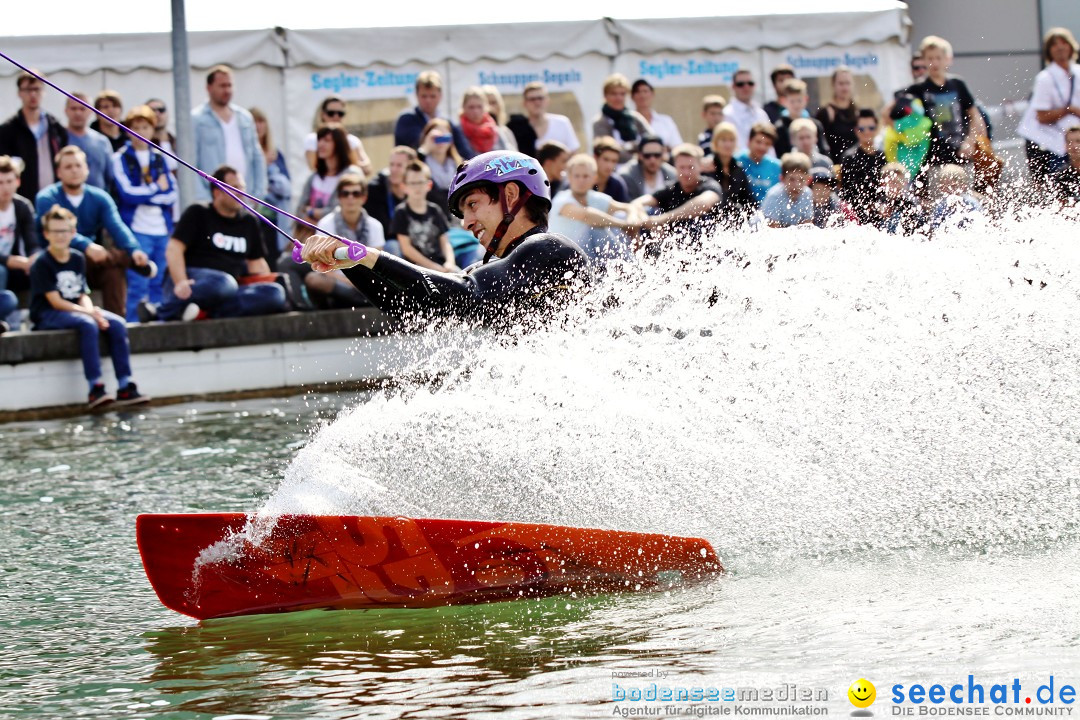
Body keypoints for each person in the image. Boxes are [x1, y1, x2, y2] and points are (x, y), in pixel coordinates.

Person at [301, 150, 591, 326]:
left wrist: (365, 255)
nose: (466, 223)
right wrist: (351, 263)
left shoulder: (548, 249)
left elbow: (466, 292)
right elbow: (416, 307)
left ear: (511, 195)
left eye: (473, 204)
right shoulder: (490, 271)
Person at [30, 205, 149, 408]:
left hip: (77, 309)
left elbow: (82, 293)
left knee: (118, 324)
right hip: (48, 313)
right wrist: (89, 314)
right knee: (88, 324)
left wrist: (92, 310)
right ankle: (95, 386)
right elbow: (55, 301)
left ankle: (125, 384)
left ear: (73, 233)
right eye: (55, 232)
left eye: (65, 231)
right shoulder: (42, 262)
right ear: (46, 234)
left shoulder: (77, 258)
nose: (60, 236)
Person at [36, 145, 154, 318]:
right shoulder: (47, 197)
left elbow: (116, 226)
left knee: (113, 272)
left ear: (87, 169)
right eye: (68, 167)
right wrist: (87, 245)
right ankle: (129, 261)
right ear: (58, 172)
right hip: (59, 261)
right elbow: (56, 232)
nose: (74, 171)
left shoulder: (99, 197)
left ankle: (117, 325)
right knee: (110, 260)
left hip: (92, 261)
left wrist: (134, 249)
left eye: (78, 166)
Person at [159, 165, 287, 321]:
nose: (241, 193)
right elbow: (174, 249)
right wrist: (180, 282)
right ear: (217, 192)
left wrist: (268, 284)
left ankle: (204, 313)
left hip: (230, 289)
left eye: (242, 187)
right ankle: (164, 310)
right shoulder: (198, 212)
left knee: (275, 293)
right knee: (223, 284)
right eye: (234, 188)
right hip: (195, 281)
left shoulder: (249, 222)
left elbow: (257, 266)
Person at [110, 105, 177, 322]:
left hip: (161, 227)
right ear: (128, 130)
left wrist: (149, 194)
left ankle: (159, 320)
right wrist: (155, 189)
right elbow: (127, 193)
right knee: (138, 280)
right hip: (137, 227)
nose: (140, 132)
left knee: (161, 280)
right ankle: (133, 324)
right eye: (135, 127)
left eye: (145, 127)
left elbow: (172, 193)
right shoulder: (120, 157)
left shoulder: (160, 157)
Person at [905, 36, 988, 171]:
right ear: (924, 60)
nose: (934, 63)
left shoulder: (958, 84)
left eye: (938, 58)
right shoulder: (917, 89)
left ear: (946, 59)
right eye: (930, 58)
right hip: (931, 160)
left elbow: (975, 116)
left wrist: (970, 141)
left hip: (961, 153)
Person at [550, 153, 645, 263]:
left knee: (619, 217)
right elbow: (588, 216)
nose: (581, 180)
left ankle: (633, 260)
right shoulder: (561, 199)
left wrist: (631, 220)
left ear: (594, 178)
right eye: (577, 176)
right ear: (569, 177)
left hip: (589, 254)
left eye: (585, 176)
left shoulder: (595, 197)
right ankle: (631, 266)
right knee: (596, 228)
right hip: (564, 257)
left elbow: (629, 207)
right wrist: (624, 225)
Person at [307, 172, 383, 309]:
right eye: (345, 193)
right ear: (338, 198)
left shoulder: (375, 225)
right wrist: (349, 282)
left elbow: (377, 265)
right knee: (313, 280)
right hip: (338, 282)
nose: (350, 198)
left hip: (368, 285)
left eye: (356, 193)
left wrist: (363, 283)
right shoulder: (326, 223)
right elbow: (323, 266)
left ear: (364, 198)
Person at [192, 65, 266, 203]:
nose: (227, 90)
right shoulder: (196, 119)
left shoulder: (244, 117)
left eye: (230, 85)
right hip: (214, 199)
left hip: (245, 198)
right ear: (209, 88)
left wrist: (258, 194)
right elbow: (191, 161)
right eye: (222, 86)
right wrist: (205, 198)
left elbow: (257, 156)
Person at [1017, 28, 1080, 184]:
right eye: (1054, 45)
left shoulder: (1077, 72)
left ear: (1071, 47)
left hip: (1073, 139)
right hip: (1052, 143)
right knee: (1058, 184)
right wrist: (1069, 110)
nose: (1060, 48)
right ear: (1048, 51)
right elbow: (1042, 116)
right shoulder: (1045, 78)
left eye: (1064, 43)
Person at [632, 143, 722, 243]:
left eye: (690, 167)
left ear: (700, 166)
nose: (686, 172)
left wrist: (660, 220)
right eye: (682, 167)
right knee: (648, 212)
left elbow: (702, 204)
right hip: (674, 242)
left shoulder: (710, 185)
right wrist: (649, 222)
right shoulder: (671, 188)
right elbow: (637, 203)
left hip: (708, 242)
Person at [0, 71, 68, 202]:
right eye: (27, 90)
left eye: (37, 89)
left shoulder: (56, 127)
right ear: (19, 93)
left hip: (54, 197)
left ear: (44, 91)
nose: (32, 94)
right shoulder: (7, 130)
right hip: (22, 198)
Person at [295, 125, 360, 236]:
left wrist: (312, 211)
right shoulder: (314, 177)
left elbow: (340, 210)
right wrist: (315, 223)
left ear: (339, 144)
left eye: (327, 140)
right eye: (319, 140)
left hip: (340, 238)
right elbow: (299, 210)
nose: (321, 144)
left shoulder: (351, 174)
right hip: (310, 237)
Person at [392, 161, 457, 273]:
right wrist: (434, 267)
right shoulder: (401, 212)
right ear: (404, 187)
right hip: (415, 268)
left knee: (463, 280)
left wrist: (450, 263)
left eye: (421, 182)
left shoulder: (435, 210)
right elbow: (406, 249)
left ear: (429, 185)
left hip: (440, 264)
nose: (417, 187)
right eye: (413, 183)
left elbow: (445, 242)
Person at [393, 71, 473, 159]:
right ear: (416, 95)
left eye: (432, 96)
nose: (428, 100)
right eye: (424, 96)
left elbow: (465, 152)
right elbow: (418, 144)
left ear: (440, 95)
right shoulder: (407, 120)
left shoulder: (448, 122)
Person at [250, 106, 291, 255]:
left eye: (261, 121)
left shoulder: (276, 153)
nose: (258, 126)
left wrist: (269, 173)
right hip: (254, 214)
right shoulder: (247, 153)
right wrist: (263, 164)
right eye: (254, 122)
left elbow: (286, 188)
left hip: (276, 217)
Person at [0, 156, 35, 330]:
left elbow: (32, 240)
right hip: (4, 266)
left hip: (15, 266)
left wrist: (34, 257)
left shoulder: (22, 206)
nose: (5, 187)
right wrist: (8, 260)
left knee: (39, 264)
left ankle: (37, 317)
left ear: (17, 181)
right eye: (0, 182)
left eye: (9, 181)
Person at [365, 145, 420, 253]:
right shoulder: (375, 189)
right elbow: (383, 230)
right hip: (386, 245)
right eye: (391, 164)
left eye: (399, 165)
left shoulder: (418, 186)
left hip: (414, 241)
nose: (393, 170)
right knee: (392, 246)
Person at [303, 97, 373, 177]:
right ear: (322, 115)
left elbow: (367, 168)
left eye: (340, 113)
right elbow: (313, 167)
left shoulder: (352, 140)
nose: (336, 117)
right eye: (331, 113)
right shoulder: (313, 139)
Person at [507, 81, 580, 157]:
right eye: (532, 99)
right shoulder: (517, 129)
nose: (537, 102)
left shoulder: (562, 123)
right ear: (524, 103)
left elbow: (574, 153)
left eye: (540, 98)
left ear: (548, 100)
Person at [592, 74, 653, 162]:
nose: (619, 98)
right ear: (605, 96)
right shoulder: (600, 122)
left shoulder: (634, 117)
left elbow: (651, 140)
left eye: (622, 94)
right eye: (614, 94)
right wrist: (636, 150)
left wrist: (631, 147)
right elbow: (607, 151)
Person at [840, 109, 887, 224]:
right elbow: (847, 191)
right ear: (856, 130)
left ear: (877, 129)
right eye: (862, 128)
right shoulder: (850, 157)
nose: (866, 132)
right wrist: (868, 205)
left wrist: (882, 204)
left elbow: (886, 186)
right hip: (858, 212)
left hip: (881, 210)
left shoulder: (882, 156)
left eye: (871, 128)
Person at [707, 122, 755, 226]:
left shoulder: (738, 168)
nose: (728, 144)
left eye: (732, 140)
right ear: (716, 142)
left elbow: (748, 198)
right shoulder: (707, 166)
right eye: (723, 140)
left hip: (735, 220)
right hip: (711, 220)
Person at [64, 92, 113, 192]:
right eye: (74, 108)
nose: (78, 113)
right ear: (66, 111)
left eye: (82, 109)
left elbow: (110, 177)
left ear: (91, 111)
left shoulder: (102, 141)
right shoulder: (57, 139)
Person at [773, 79, 830, 158]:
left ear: (806, 99)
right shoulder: (780, 127)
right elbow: (780, 154)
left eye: (799, 100)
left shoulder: (816, 124)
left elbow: (823, 150)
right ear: (784, 101)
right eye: (792, 101)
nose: (796, 105)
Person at [884, 94, 933, 182]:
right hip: (912, 171)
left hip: (909, 172)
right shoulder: (923, 123)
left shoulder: (914, 124)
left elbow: (884, 115)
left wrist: (896, 101)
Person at [418, 117, 464, 208]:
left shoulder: (459, 164)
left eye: (445, 138)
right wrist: (425, 149)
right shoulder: (421, 163)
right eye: (437, 139)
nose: (441, 143)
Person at [723, 69, 771, 154]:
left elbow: (769, 143)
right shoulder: (726, 114)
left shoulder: (761, 113)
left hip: (762, 163)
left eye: (750, 83)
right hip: (739, 164)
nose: (746, 87)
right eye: (740, 84)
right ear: (733, 87)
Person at [815, 66, 859, 159]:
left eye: (847, 83)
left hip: (855, 165)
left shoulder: (857, 112)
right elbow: (821, 143)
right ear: (833, 85)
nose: (845, 87)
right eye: (841, 83)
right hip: (835, 165)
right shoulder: (825, 113)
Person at [761, 152, 814, 228]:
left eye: (801, 180)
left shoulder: (807, 193)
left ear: (808, 180)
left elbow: (807, 225)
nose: (796, 185)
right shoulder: (774, 195)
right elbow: (772, 230)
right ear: (782, 179)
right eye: (791, 180)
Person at [736, 123, 782, 206]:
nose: (762, 147)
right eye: (758, 142)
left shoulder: (777, 167)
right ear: (749, 141)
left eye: (767, 144)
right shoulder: (736, 160)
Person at [619, 135, 677, 200]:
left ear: (663, 154)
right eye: (647, 156)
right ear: (640, 155)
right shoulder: (627, 176)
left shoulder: (673, 175)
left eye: (657, 155)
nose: (652, 160)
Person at [873, 163, 924, 235]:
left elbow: (917, 229)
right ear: (883, 183)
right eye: (892, 182)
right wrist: (879, 215)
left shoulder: (909, 205)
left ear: (905, 183)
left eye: (899, 182)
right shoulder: (874, 202)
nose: (896, 186)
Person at [631, 79, 682, 150]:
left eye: (645, 91)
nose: (642, 95)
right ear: (632, 97)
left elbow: (677, 147)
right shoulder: (626, 121)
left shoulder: (666, 121)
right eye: (638, 92)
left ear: (652, 94)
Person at [930, 164, 984, 231]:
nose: (951, 191)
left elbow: (980, 224)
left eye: (954, 187)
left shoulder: (971, 203)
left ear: (963, 186)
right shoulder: (941, 206)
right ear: (941, 188)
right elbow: (936, 229)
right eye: (946, 187)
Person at [459, 87, 510, 155]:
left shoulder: (495, 130)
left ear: (485, 107)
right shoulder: (458, 132)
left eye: (479, 107)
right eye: (471, 107)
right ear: (464, 108)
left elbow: (508, 154)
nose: (476, 111)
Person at [481, 85, 519, 151]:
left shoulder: (506, 131)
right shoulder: (475, 132)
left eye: (493, 103)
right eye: (486, 103)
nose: (490, 108)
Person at [145, 98, 178, 173]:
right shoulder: (142, 145)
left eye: (161, 110)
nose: (157, 114)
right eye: (152, 110)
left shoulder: (178, 143)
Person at [1051, 125, 1080, 204]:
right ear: (1065, 146)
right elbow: (1061, 207)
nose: (1074, 146)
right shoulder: (1062, 177)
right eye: (1069, 142)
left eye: (1078, 141)